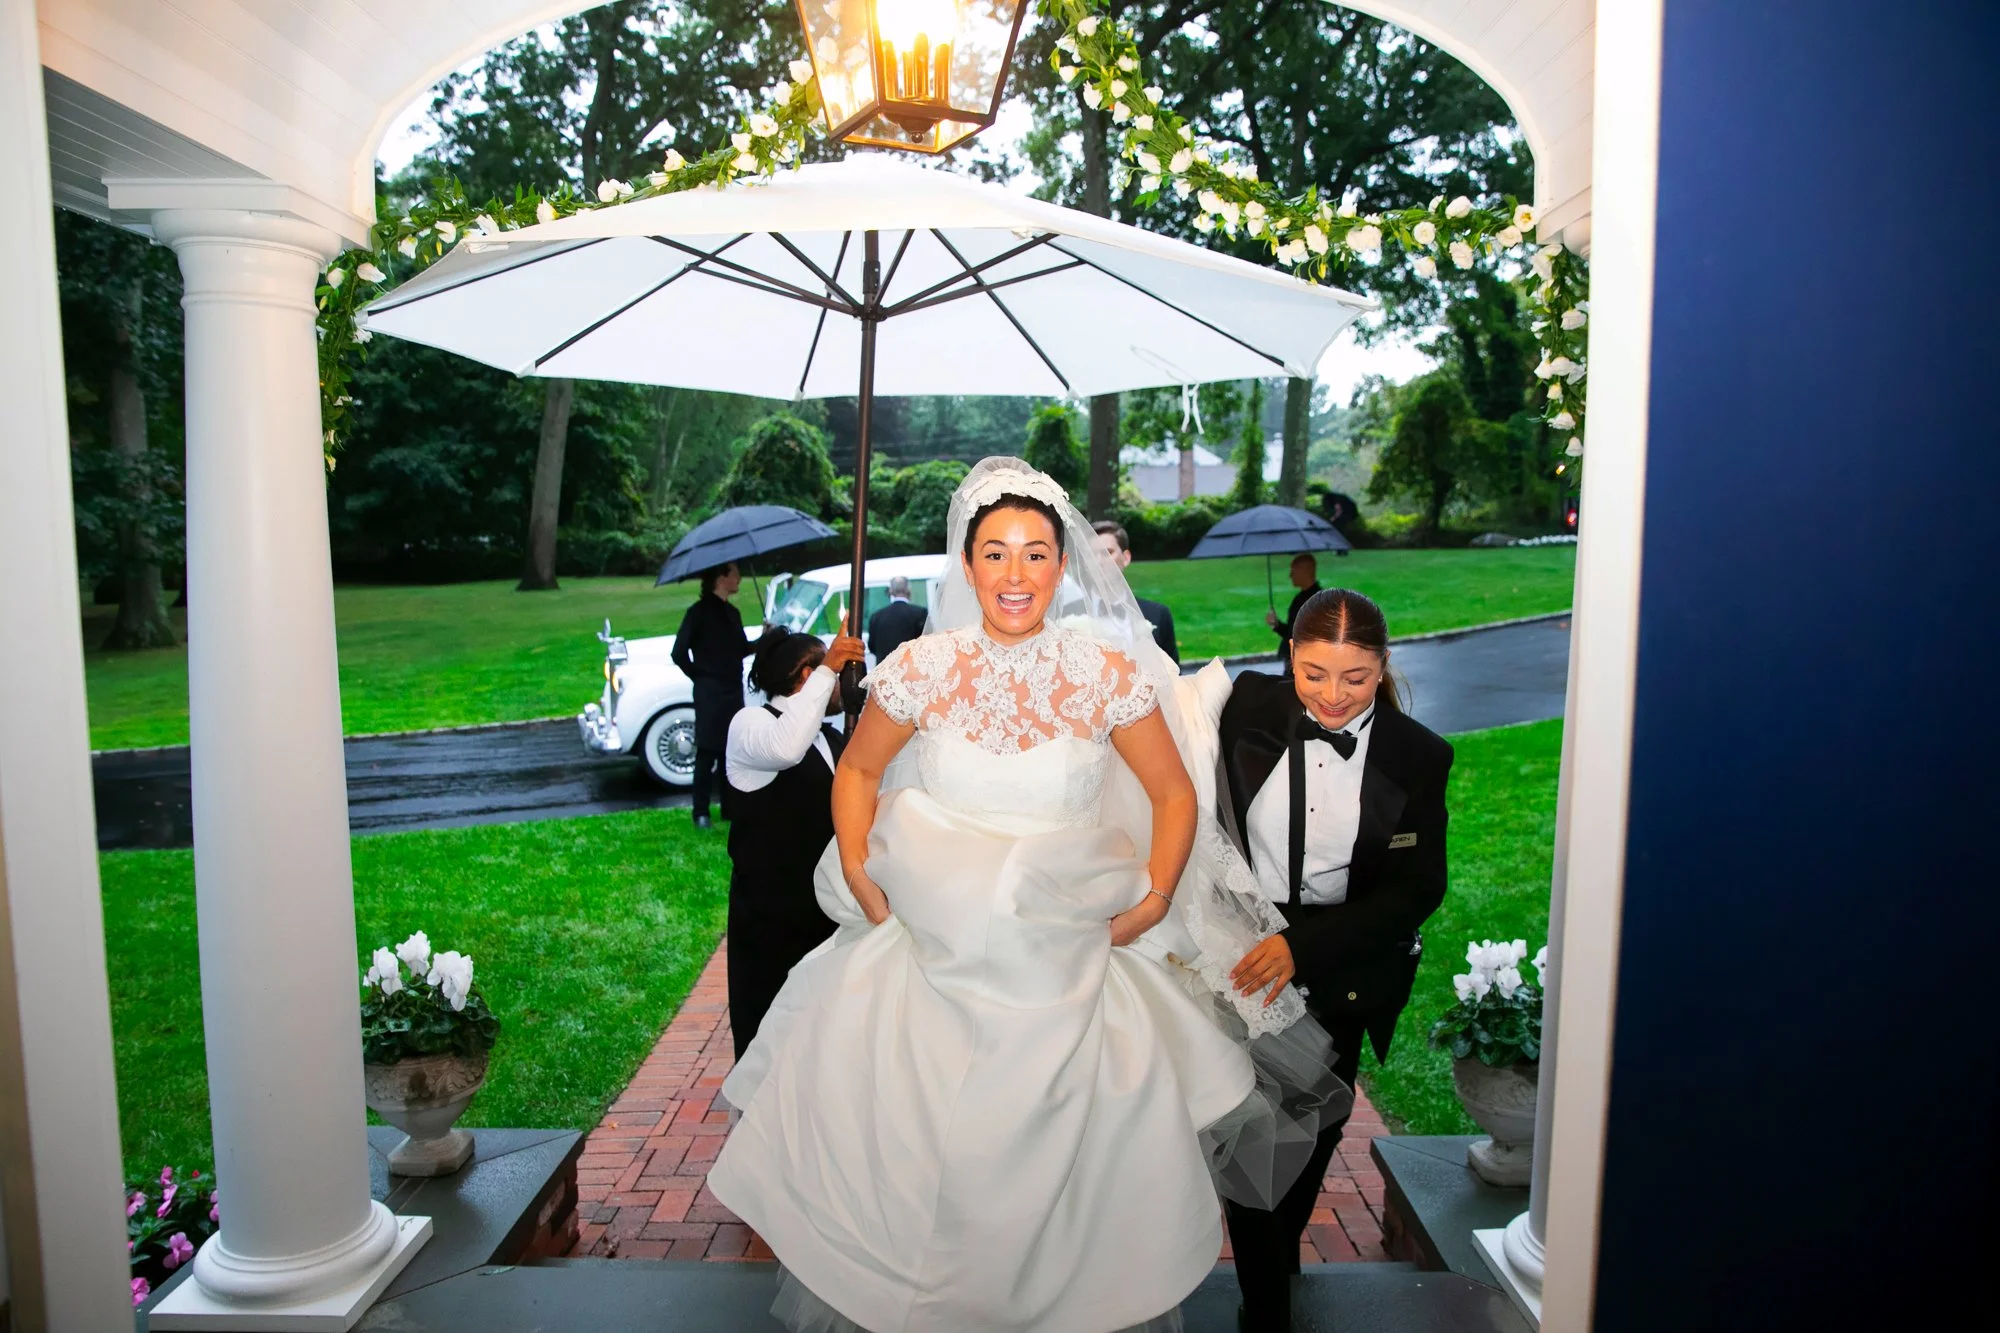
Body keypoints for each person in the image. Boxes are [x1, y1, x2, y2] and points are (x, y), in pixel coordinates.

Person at [709, 458, 1348, 1333]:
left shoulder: (1105, 674)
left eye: (1038, 553)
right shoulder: (920, 669)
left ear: (1065, 563)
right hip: (925, 969)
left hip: (1072, 967)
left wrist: (1159, 893)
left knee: (1074, 1196)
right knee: (923, 1171)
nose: (1017, 575)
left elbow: (1172, 793)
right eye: (997, 553)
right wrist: (859, 865)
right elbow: (856, 769)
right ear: (966, 565)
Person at [1217, 588, 1455, 1332]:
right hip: (1245, 961)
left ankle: (1275, 1275)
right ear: (1290, 654)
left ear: (1382, 664)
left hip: (1343, 968)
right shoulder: (1243, 706)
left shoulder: (1418, 755)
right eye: (1313, 672)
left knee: (1309, 1150)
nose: (1330, 695)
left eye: (1354, 677)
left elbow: (1420, 886)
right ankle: (1267, 1309)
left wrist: (1304, 948)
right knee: (1254, 1156)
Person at [721, 627, 867, 1058]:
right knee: (771, 1029)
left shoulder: (832, 736)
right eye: (840, 670)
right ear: (806, 675)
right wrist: (829, 669)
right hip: (772, 915)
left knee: (821, 1029)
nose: (846, 679)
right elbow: (786, 749)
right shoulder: (750, 724)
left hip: (825, 910)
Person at [670, 561, 758, 829]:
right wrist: (700, 675)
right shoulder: (697, 613)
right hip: (710, 691)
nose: (739, 578)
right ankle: (700, 812)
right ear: (721, 578)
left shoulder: (732, 613)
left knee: (730, 750)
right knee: (707, 750)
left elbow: (740, 648)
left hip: (732, 689)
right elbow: (679, 651)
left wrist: (764, 639)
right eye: (735, 574)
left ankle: (730, 808)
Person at [1092, 519, 1180, 665]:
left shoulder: (1157, 615)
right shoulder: (1067, 615)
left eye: (1107, 552)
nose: (1098, 561)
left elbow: (1175, 677)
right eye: (1091, 554)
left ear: (1126, 558)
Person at [1264, 552, 1322, 672]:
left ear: (1304, 571)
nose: (1290, 576)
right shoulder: (1301, 598)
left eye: (1293, 571)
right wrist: (1276, 625)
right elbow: (1292, 631)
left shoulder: (1317, 601)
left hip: (1303, 662)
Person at [865, 574, 927, 665]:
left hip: (883, 670)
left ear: (891, 591)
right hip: (910, 668)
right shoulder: (920, 613)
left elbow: (872, 646)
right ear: (908, 590)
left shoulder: (876, 616)